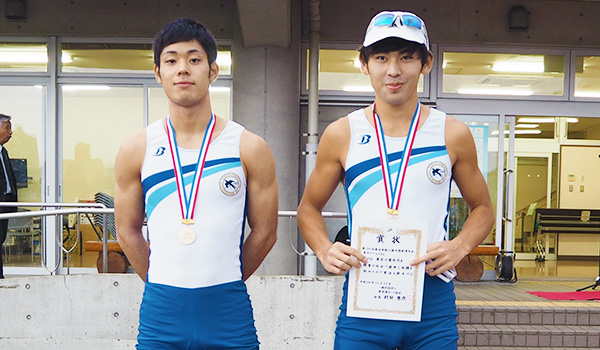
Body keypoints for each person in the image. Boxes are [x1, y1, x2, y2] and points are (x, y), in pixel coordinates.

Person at [297, 11, 494, 350]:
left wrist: (459, 246)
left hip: (431, 303)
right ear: (363, 63)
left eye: (406, 57)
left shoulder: (452, 133)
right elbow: (308, 208)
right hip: (365, 303)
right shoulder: (343, 133)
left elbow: (483, 208)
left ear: (426, 63)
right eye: (381, 57)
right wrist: (324, 249)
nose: (393, 70)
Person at [114, 18, 278, 350]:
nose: (182, 69)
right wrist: (161, 280)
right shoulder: (137, 148)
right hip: (162, 310)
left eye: (194, 59)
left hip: (227, 309)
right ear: (158, 73)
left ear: (213, 71)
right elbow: (127, 230)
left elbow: (265, 232)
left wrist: (226, 278)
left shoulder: (248, 147)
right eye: (171, 60)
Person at [0, 114, 18, 279]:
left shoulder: (3, 152)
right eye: (7, 128)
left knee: (1, 239)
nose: (10, 132)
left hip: (5, 205)